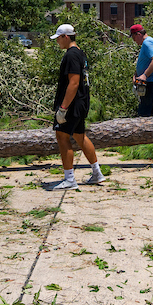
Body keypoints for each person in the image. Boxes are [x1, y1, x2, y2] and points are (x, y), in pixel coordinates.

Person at [49, 23, 106, 190]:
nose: (57, 42)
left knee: (62, 136)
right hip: (81, 101)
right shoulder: (80, 53)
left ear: (66, 37)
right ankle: (97, 173)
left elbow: (73, 83)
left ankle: (69, 179)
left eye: (58, 38)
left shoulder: (71, 55)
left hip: (72, 104)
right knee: (79, 136)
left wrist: (63, 108)